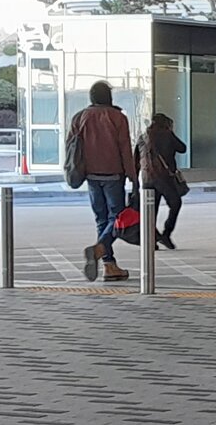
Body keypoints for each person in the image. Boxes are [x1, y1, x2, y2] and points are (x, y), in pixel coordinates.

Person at [63, 80, 135, 282]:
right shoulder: (117, 117)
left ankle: (109, 265)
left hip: (91, 175)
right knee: (117, 217)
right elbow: (124, 148)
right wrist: (132, 175)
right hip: (113, 174)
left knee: (101, 219)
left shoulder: (80, 117)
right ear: (109, 97)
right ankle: (100, 250)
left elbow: (71, 147)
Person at [137, 113, 188, 250]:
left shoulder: (143, 137)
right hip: (164, 179)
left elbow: (135, 160)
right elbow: (182, 148)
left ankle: (151, 238)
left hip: (147, 179)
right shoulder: (167, 134)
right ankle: (166, 234)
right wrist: (170, 133)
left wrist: (136, 183)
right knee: (176, 203)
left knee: (151, 210)